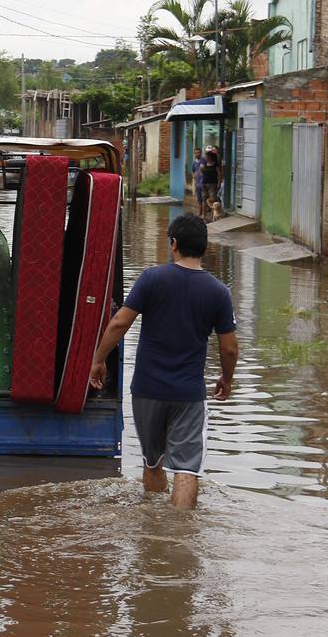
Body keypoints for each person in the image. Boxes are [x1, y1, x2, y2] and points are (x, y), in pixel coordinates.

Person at [89, 213, 238, 509]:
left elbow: (119, 323)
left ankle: (155, 531)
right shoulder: (218, 292)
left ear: (173, 244)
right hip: (187, 395)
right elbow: (229, 349)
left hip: (146, 390)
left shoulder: (151, 279)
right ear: (204, 247)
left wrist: (98, 359)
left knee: (153, 462)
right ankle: (178, 540)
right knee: (186, 469)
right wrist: (227, 378)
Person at [200, 151, 222, 220]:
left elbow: (219, 174)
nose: (205, 158)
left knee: (212, 200)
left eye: (207, 156)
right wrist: (202, 169)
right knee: (204, 199)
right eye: (205, 156)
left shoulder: (215, 165)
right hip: (204, 184)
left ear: (210, 157)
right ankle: (204, 215)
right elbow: (201, 173)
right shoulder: (204, 164)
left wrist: (219, 183)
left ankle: (212, 216)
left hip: (213, 184)